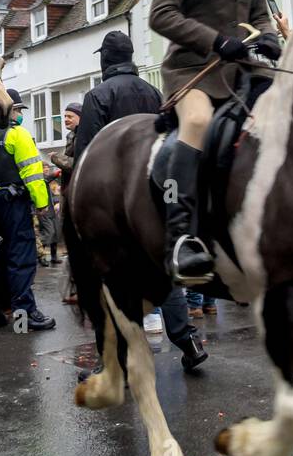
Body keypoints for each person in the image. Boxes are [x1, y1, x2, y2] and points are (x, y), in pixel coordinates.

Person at [148, 0, 279, 283]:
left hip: (247, 69)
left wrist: (271, 37)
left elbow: (259, 13)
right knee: (200, 122)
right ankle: (184, 238)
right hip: (194, 71)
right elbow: (161, 14)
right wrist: (215, 41)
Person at [73, 31, 206, 373]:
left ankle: (115, 363)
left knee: (111, 277)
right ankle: (187, 340)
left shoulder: (97, 96)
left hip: (112, 204)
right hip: (156, 192)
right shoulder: (153, 92)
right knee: (163, 267)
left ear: (105, 60)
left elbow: (86, 156)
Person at [0, 89, 55, 333]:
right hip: (13, 203)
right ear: (8, 110)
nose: (19, 114)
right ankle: (25, 314)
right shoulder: (18, 136)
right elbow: (32, 174)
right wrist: (41, 205)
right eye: (17, 109)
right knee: (20, 256)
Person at [51, 102, 81, 305]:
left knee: (77, 245)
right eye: (64, 116)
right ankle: (76, 288)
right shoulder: (72, 136)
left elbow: (77, 164)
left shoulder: (83, 136)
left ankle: (81, 289)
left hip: (76, 197)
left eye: (70, 116)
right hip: (68, 195)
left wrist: (56, 159)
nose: (66, 120)